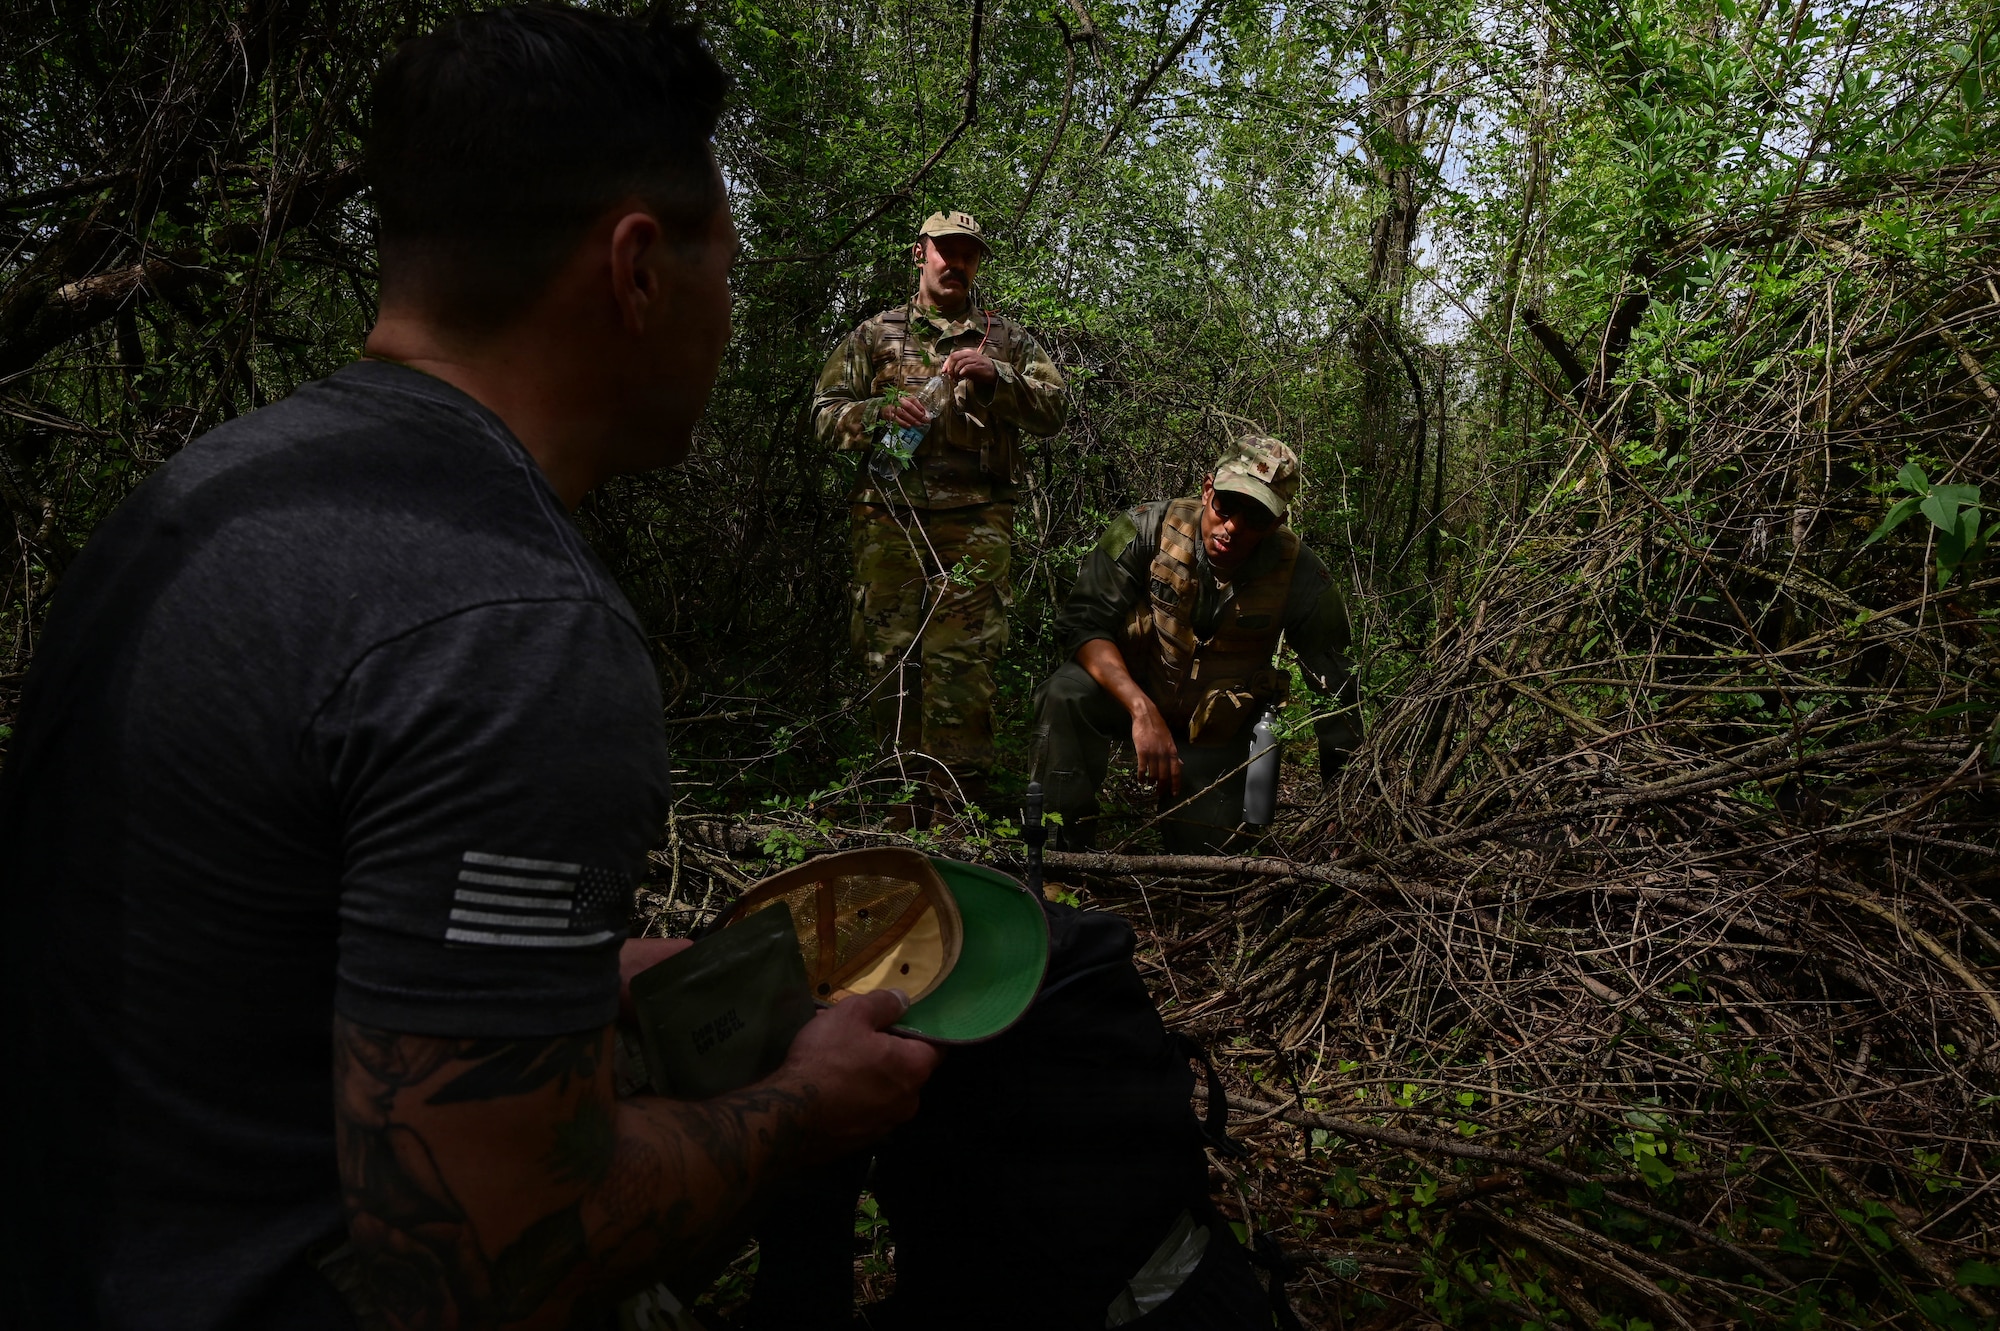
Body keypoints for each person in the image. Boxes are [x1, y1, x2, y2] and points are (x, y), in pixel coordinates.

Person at [0, 10, 936, 1330]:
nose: (730, 316)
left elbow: (244, 970)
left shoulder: (191, 504)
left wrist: (582, 975)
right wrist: (804, 1108)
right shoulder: (516, 629)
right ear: (637, 268)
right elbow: (489, 1250)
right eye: (727, 265)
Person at [812, 210, 1067, 822]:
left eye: (968, 253)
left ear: (977, 262)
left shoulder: (1004, 339)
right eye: (944, 250)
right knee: (889, 655)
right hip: (889, 520)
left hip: (978, 522)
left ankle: (958, 812)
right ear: (920, 253)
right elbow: (822, 416)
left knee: (963, 661)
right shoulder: (874, 336)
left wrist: (998, 378)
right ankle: (896, 804)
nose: (955, 262)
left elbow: (1054, 410)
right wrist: (877, 413)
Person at [1032, 436, 1361, 852]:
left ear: (1277, 523)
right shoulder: (1144, 529)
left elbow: (1337, 695)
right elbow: (1081, 625)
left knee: (1208, 866)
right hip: (1132, 697)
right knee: (1064, 694)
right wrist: (1140, 709)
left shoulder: (1302, 575)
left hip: (1213, 733)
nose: (1233, 527)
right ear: (1207, 490)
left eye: (1256, 517)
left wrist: (1345, 808)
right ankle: (1060, 856)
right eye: (1226, 505)